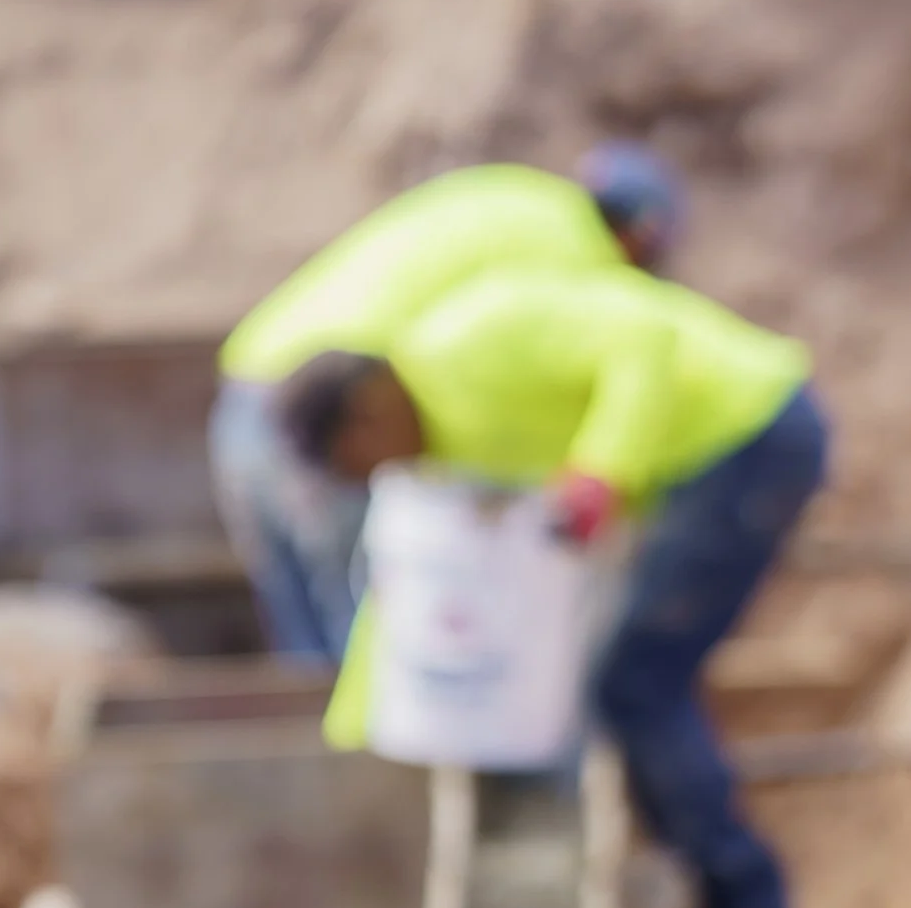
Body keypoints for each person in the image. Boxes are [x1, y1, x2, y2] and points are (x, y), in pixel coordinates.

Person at [278, 268, 825, 908]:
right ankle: (704, 885)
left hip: (747, 431)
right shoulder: (441, 448)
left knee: (637, 683)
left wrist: (603, 469)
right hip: (700, 465)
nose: (369, 479)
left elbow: (641, 341)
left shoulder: (468, 343)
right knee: (629, 676)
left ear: (367, 412)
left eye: (355, 465)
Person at [212, 146, 686, 666]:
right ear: (635, 236)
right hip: (340, 407)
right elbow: (593, 350)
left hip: (249, 390)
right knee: (375, 630)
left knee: (308, 638)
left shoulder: (518, 199)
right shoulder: (573, 247)